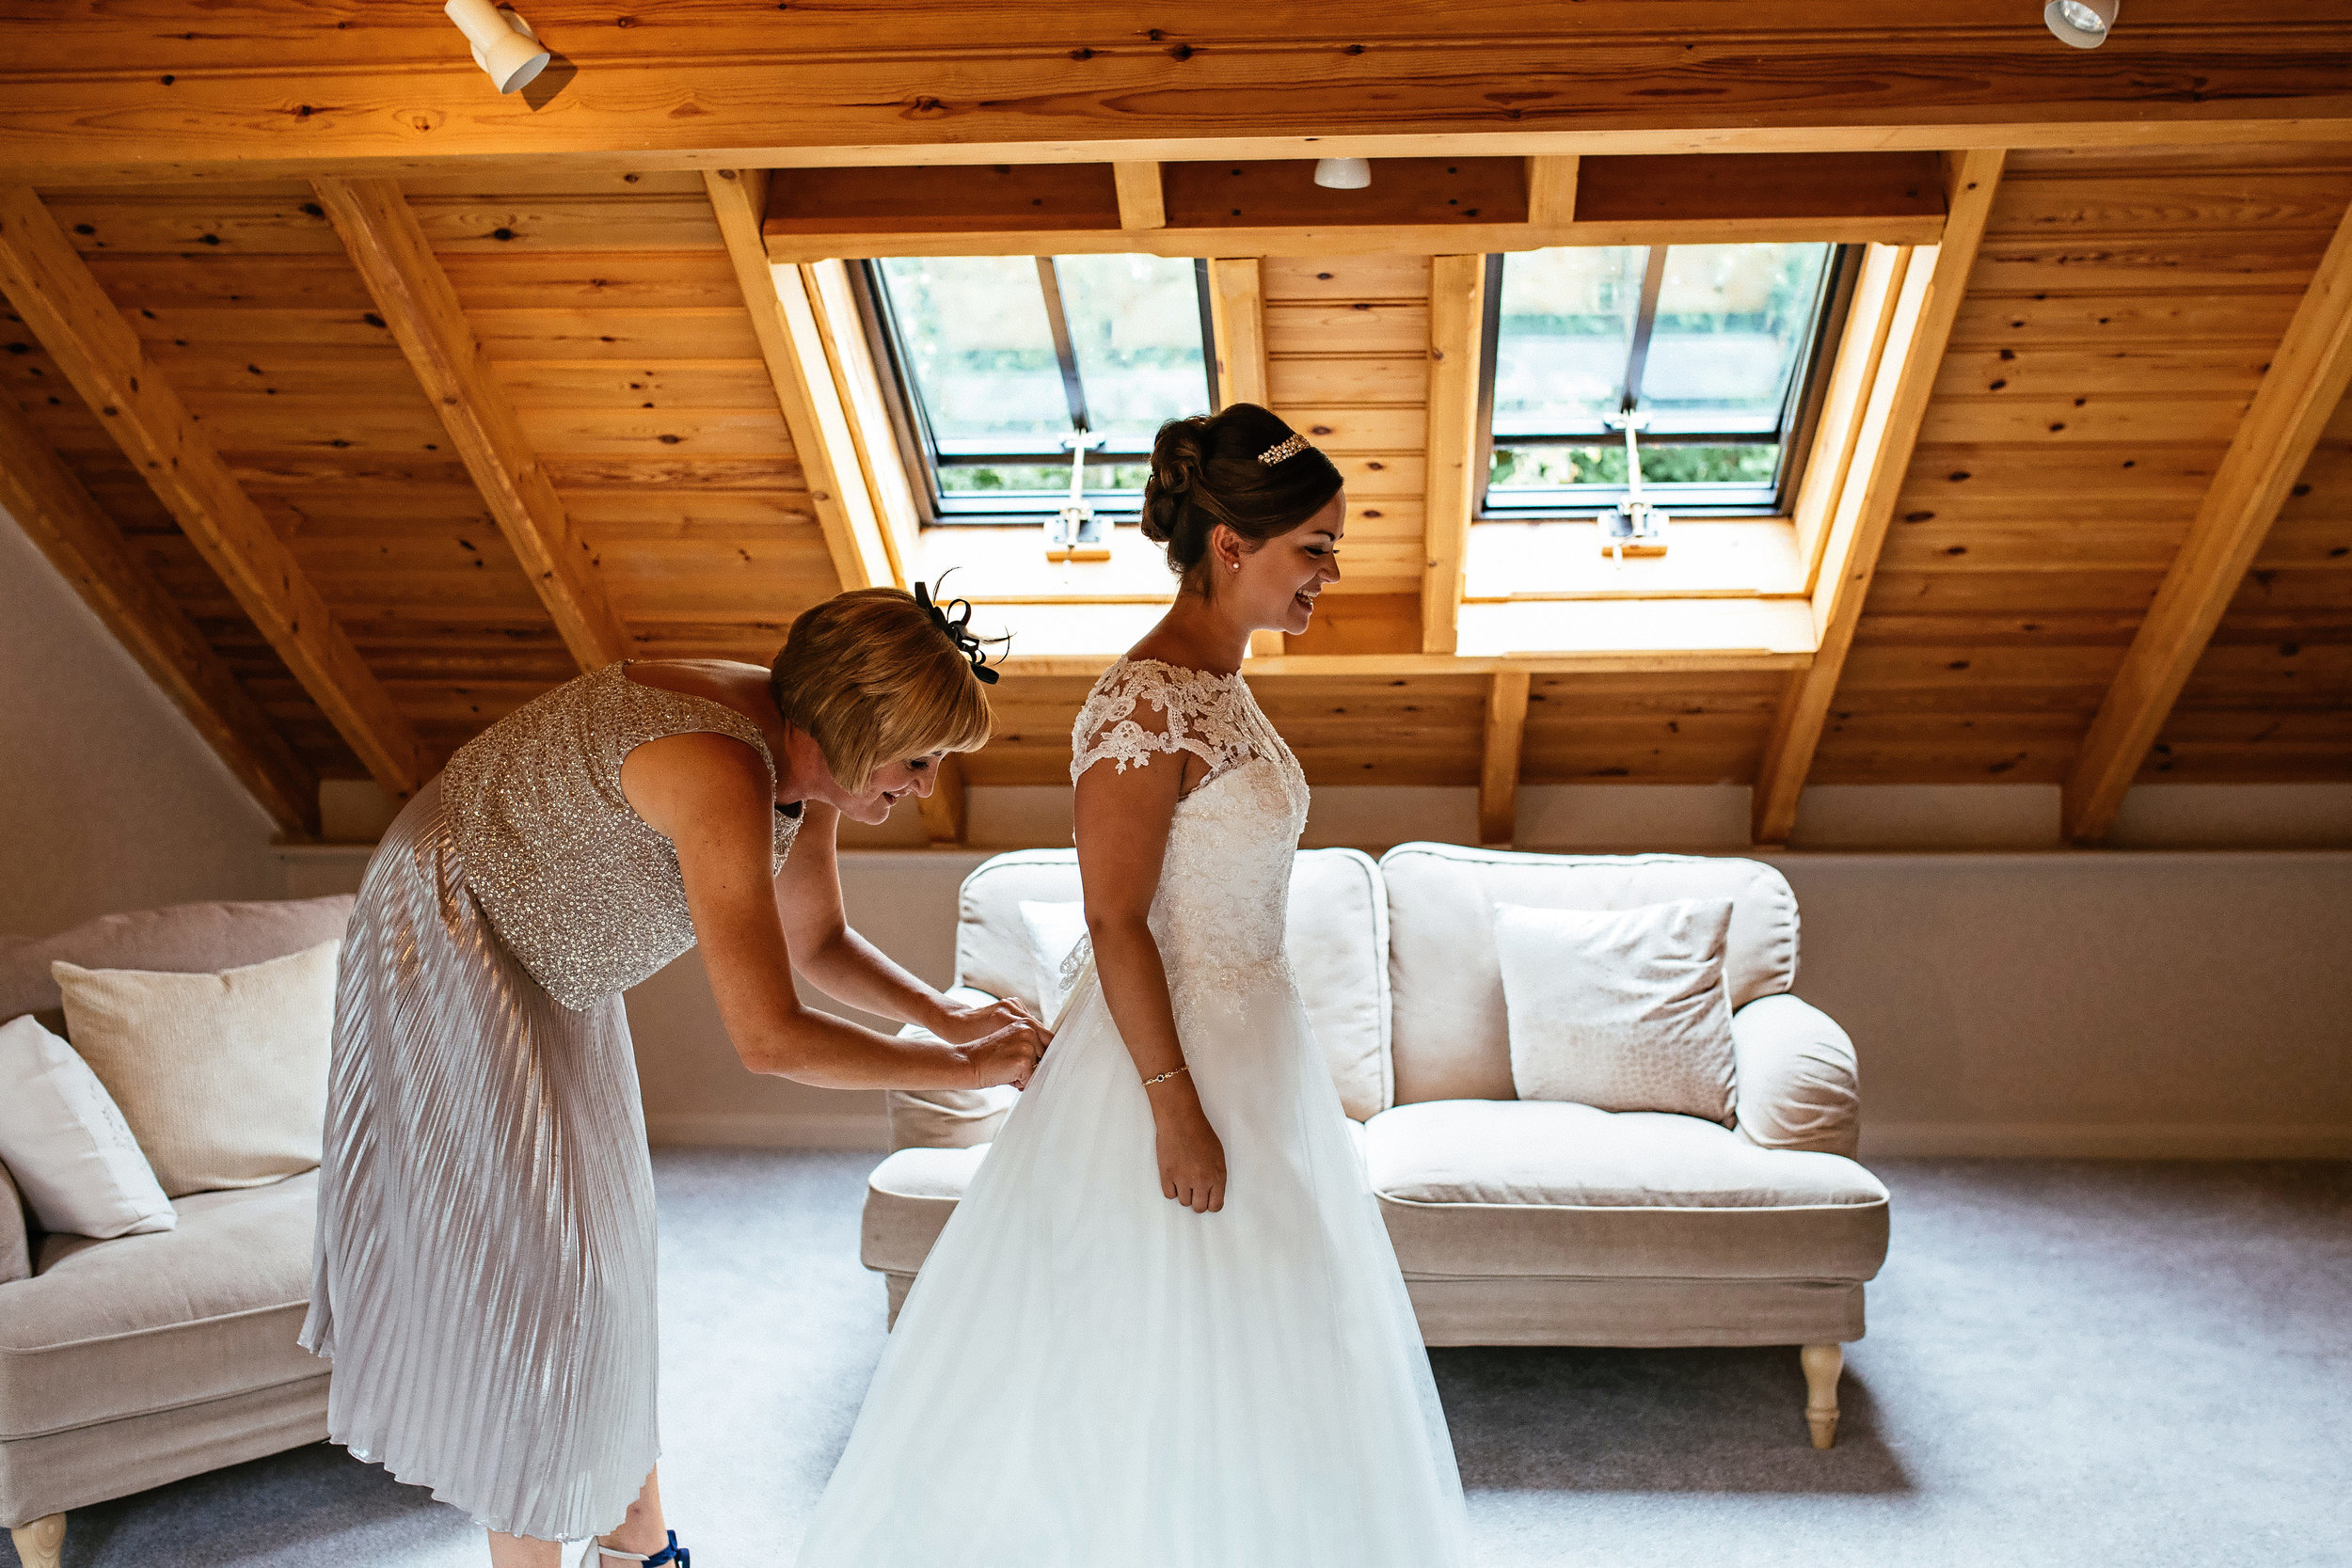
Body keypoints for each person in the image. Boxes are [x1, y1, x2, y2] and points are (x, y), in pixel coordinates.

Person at [795, 404, 1470, 1567]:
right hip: (1165, 1067)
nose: (1327, 575)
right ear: (1231, 545)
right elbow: (1114, 917)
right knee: (1130, 1349)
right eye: (1313, 548)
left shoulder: (1225, 685)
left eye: (1332, 551)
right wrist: (1175, 1106)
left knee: (1270, 1344)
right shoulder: (1141, 700)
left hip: (1256, 1047)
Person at [301, 587, 1050, 1568]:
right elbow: (770, 1037)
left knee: (605, 1253)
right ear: (852, 729)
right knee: (532, 1277)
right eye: (917, 760)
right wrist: (956, 1063)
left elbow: (816, 941)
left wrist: (947, 1013)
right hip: (454, 923)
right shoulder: (717, 762)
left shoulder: (803, 754)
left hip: (552, 946)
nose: (924, 783)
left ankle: (634, 1537)